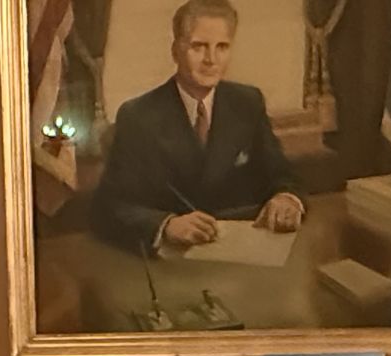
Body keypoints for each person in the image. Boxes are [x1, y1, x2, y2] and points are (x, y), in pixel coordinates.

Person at [92, 0, 305, 256]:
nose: (211, 59)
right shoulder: (138, 116)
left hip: (242, 256)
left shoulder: (248, 103)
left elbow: (282, 175)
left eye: (222, 47)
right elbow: (109, 207)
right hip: (171, 266)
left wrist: (285, 199)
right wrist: (166, 224)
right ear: (176, 51)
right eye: (199, 46)